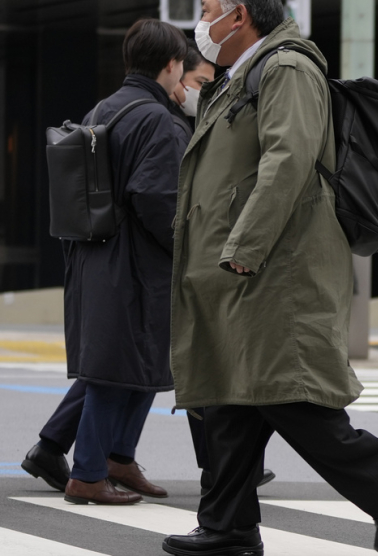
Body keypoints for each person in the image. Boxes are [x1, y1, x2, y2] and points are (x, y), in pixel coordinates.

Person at [162, 2, 378, 556]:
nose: (201, 21)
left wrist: (245, 245)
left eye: (208, 8)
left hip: (276, 266)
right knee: (232, 396)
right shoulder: (245, 73)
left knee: (286, 393)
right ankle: (227, 526)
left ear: (240, 14)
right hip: (243, 266)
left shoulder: (286, 68)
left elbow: (289, 157)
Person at [34, 19, 186, 506]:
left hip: (92, 256)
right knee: (113, 370)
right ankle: (89, 474)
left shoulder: (103, 108)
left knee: (137, 363)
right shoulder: (158, 120)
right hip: (135, 265)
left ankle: (119, 459)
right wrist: (187, 248)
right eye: (182, 64)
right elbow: (158, 199)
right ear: (170, 65)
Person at [168, 41, 277, 496]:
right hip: (207, 267)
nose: (203, 91)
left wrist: (243, 249)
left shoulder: (280, 70)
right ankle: (226, 505)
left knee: (240, 386)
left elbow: (282, 164)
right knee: (222, 386)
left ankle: (227, 489)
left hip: (227, 265)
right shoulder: (174, 124)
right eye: (198, 83)